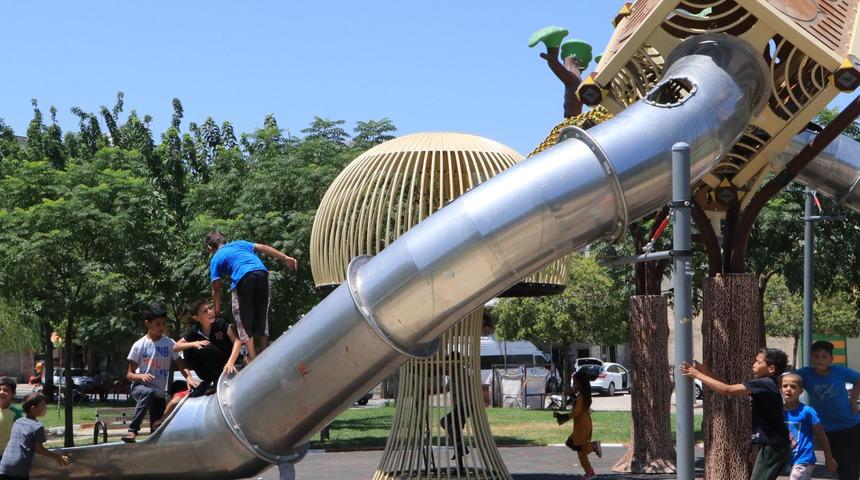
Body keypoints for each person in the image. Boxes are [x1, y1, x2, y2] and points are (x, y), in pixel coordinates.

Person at [681, 348, 790, 480]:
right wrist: (707, 373)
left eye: (758, 362)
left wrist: (697, 375)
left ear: (771, 368)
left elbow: (727, 390)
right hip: (772, 445)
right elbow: (728, 387)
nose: (754, 364)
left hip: (773, 446)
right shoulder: (765, 384)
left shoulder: (764, 383)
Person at [205, 231, 297, 361]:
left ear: (210, 248)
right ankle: (264, 351)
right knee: (261, 312)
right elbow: (263, 247)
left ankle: (252, 357)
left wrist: (217, 309)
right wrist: (285, 257)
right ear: (225, 240)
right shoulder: (240, 244)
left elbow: (216, 287)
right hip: (261, 274)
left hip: (243, 278)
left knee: (242, 318)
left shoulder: (216, 258)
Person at [122, 303, 199, 443]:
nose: (161, 327)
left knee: (157, 429)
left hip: (158, 394)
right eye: (157, 324)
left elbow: (181, 365)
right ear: (147, 323)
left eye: (163, 324)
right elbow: (129, 374)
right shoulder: (139, 345)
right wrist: (141, 376)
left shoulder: (169, 344)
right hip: (140, 387)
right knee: (148, 392)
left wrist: (189, 377)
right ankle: (132, 431)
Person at [795, 340, 860, 480]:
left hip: (853, 424)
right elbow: (788, 379)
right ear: (811, 358)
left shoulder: (840, 371)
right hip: (829, 429)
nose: (820, 359)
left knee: (856, 461)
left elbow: (858, 379)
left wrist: (854, 400)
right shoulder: (805, 374)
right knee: (844, 465)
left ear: (831, 359)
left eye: (824, 356)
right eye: (816, 356)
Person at [173, 299, 242, 396]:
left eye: (210, 308)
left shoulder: (221, 323)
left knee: (205, 347)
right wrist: (194, 343)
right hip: (209, 368)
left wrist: (230, 362)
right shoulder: (195, 330)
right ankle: (208, 380)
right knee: (190, 348)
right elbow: (176, 347)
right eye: (205, 311)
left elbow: (237, 342)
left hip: (227, 363)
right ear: (196, 318)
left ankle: (218, 380)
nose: (210, 312)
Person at [0, 392, 70, 478]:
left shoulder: (18, 422)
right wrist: (57, 457)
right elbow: (39, 449)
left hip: (4, 465)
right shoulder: (38, 426)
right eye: (43, 405)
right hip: (19, 467)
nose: (45, 408)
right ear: (33, 409)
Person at [781, 373, 837, 479]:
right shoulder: (778, 411)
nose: (788, 389)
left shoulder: (807, 412)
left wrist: (829, 458)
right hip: (787, 458)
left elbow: (822, 436)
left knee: (796, 477)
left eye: (793, 386)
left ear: (801, 391)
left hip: (804, 459)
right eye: (785, 386)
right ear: (780, 389)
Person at [553, 369, 602, 480]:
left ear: (580, 383)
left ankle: (593, 447)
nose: (573, 385)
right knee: (577, 447)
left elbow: (576, 412)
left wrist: (563, 417)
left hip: (582, 425)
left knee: (580, 449)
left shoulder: (581, 397)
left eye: (574, 383)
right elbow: (578, 406)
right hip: (582, 424)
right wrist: (573, 396)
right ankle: (590, 472)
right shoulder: (582, 396)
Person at [0, 378, 23, 460]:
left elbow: (21, 434)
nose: (1, 392)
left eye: (5, 390)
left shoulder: (16, 413)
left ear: (13, 394)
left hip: (5, 455)